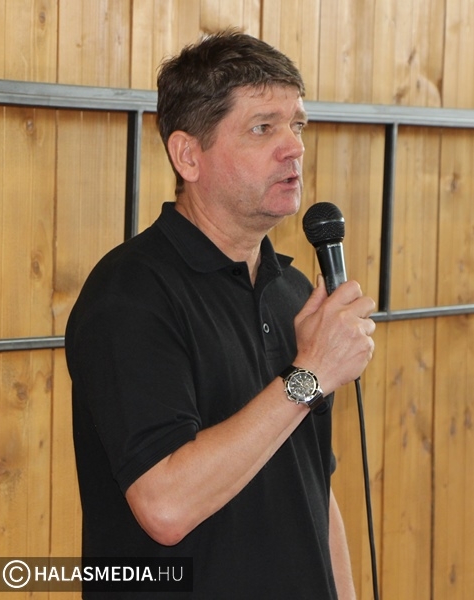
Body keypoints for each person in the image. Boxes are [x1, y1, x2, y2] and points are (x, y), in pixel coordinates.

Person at [65, 29, 375, 599]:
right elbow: (165, 505)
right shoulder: (129, 294)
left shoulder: (294, 292)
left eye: (298, 124)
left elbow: (313, 487)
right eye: (263, 127)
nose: (294, 147)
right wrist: (308, 376)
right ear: (188, 155)